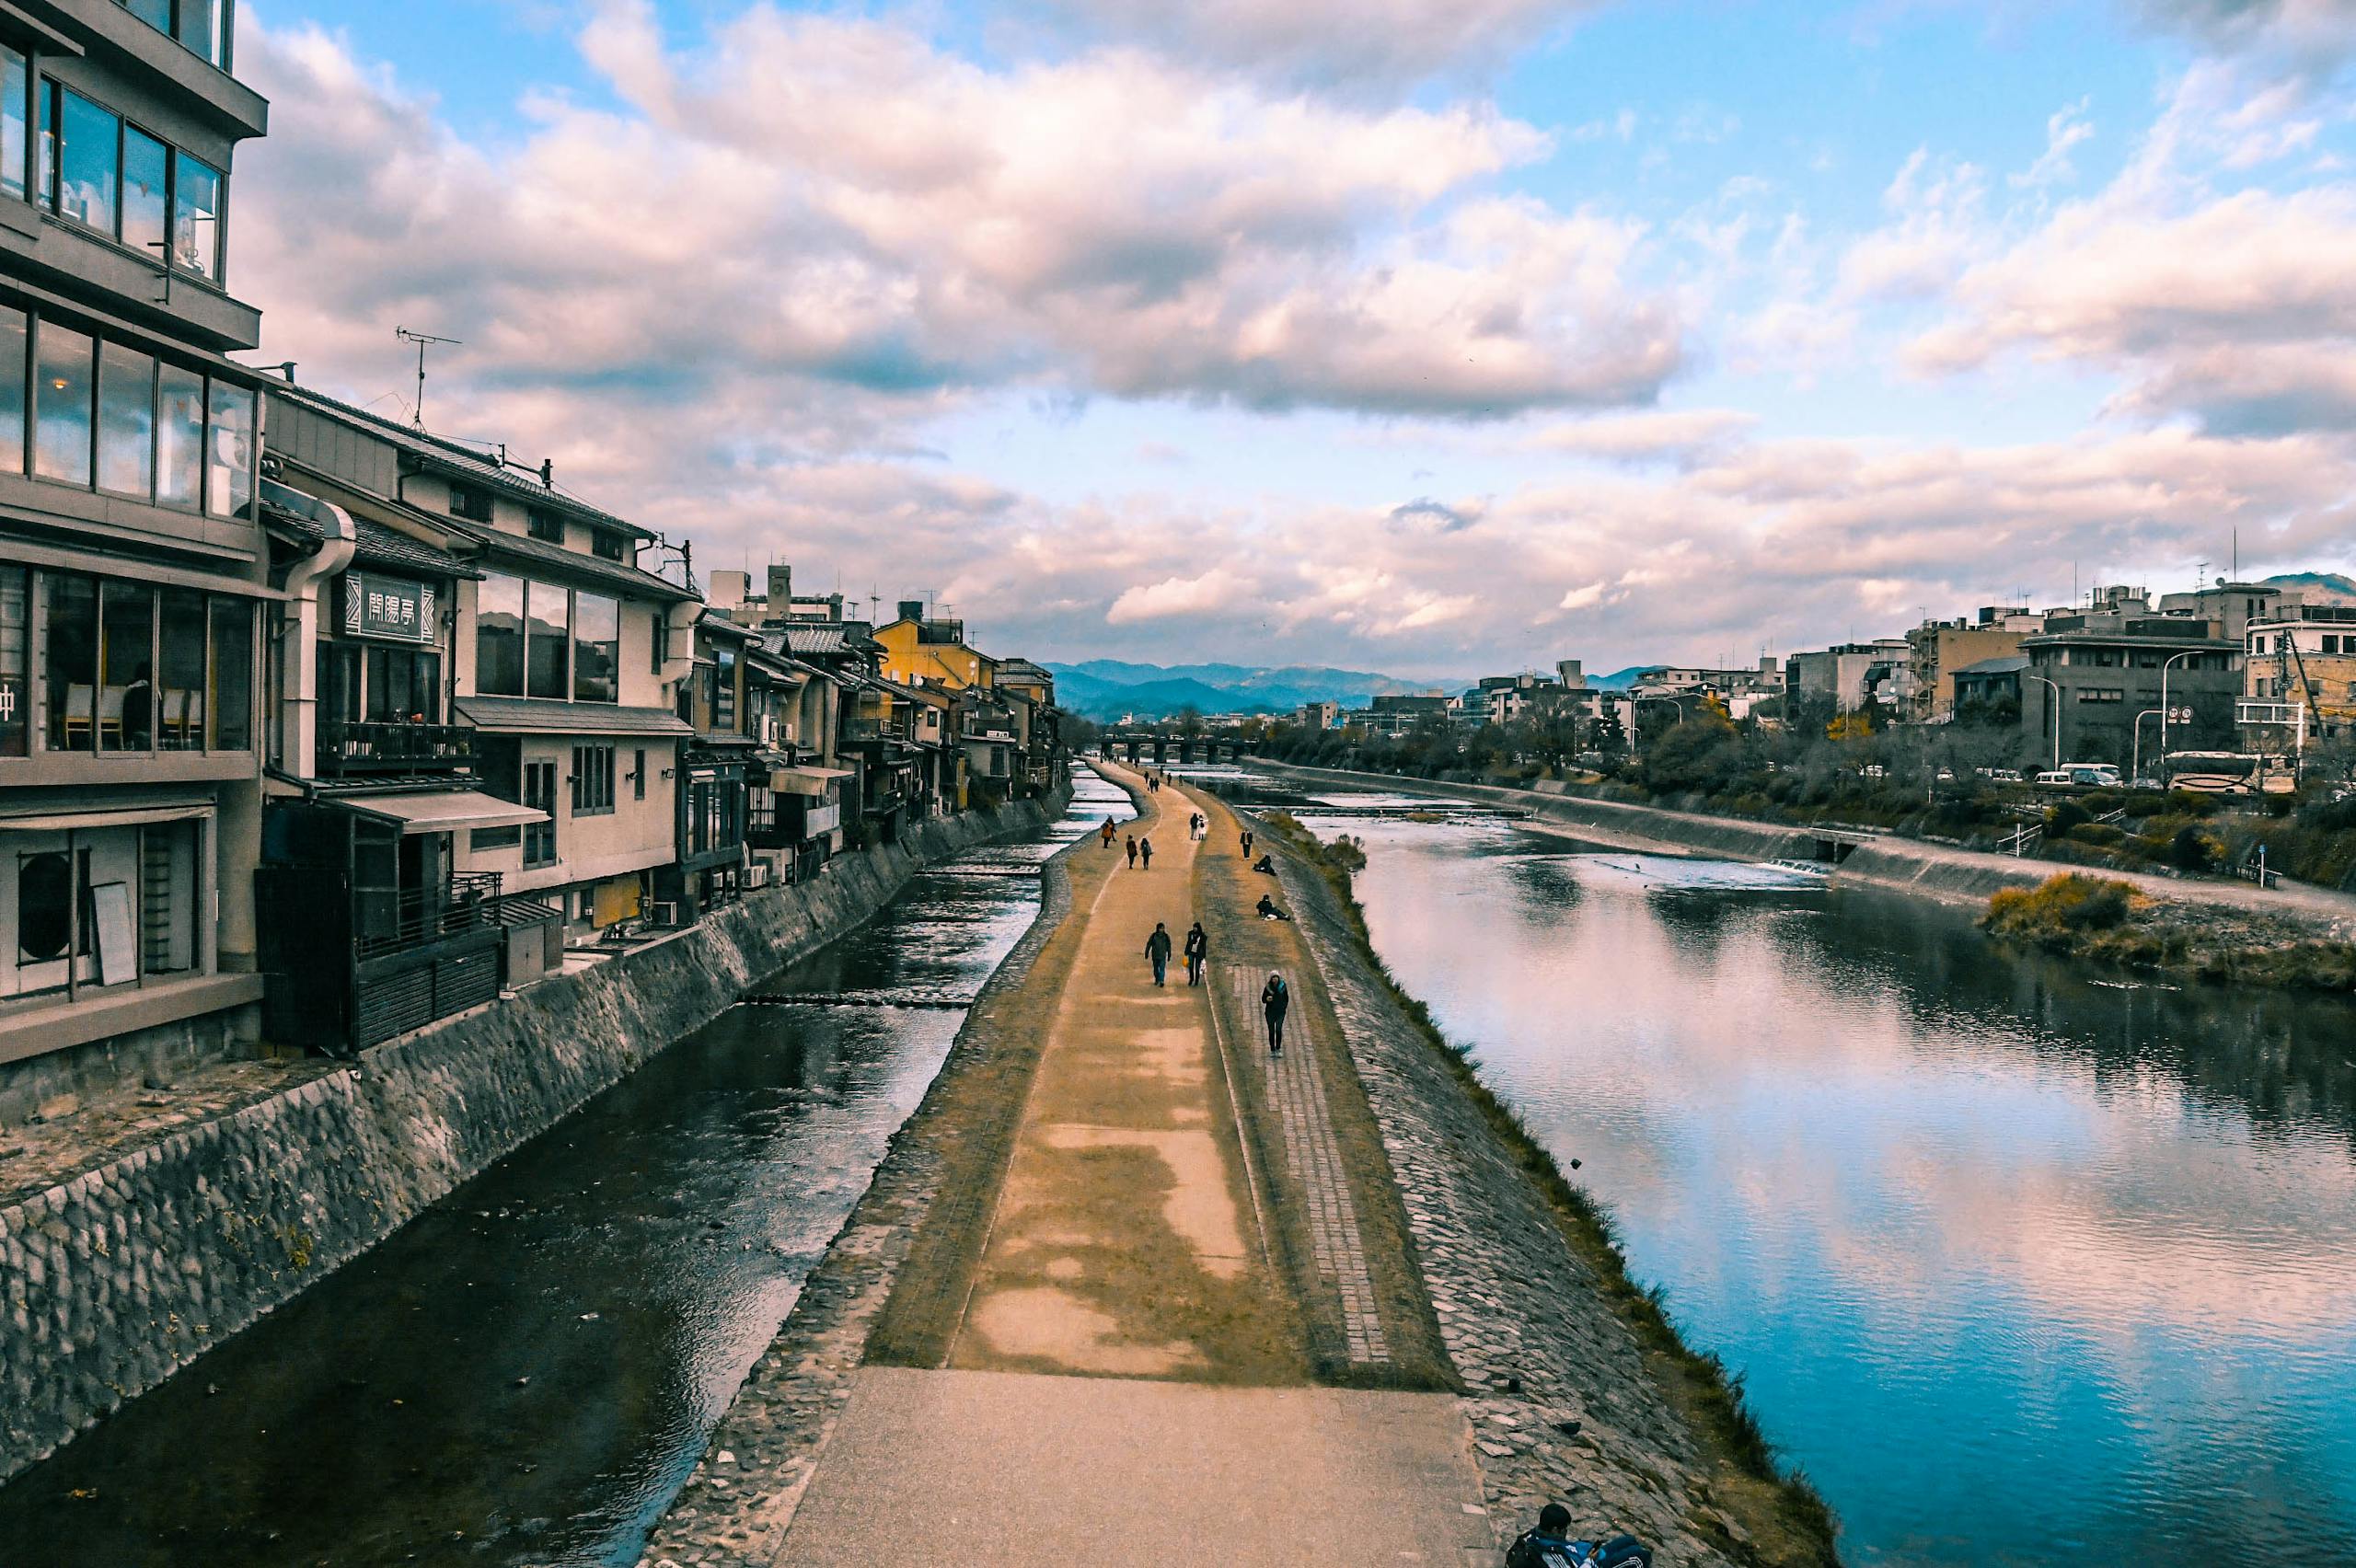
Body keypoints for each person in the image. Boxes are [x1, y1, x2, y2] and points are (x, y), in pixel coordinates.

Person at [1505, 1506, 1652, 1568]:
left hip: (1591, 1555)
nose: (1566, 1532)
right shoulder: (1547, 1553)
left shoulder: (1537, 1535)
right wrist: (1590, 1560)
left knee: (1629, 1540)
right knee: (1640, 1557)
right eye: (1564, 1529)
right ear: (1555, 1529)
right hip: (1595, 1563)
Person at [1260, 970, 1289, 1054]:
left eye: (1276, 977)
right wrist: (1267, 999)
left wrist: (1283, 1008)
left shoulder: (1283, 987)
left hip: (1280, 1012)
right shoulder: (1268, 988)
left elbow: (1286, 999)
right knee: (1271, 1031)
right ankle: (1272, 1049)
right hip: (1270, 1012)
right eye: (1273, 978)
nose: (1275, 979)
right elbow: (1263, 999)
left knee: (1278, 1029)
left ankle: (1278, 1048)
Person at [1144, 921, 1172, 987]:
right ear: (1157, 929)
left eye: (1163, 928)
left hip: (1162, 955)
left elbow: (1168, 946)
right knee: (1156, 969)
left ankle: (1162, 981)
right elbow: (1149, 944)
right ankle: (1157, 979)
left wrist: (1169, 954)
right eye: (1160, 928)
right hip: (1155, 955)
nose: (1161, 930)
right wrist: (1146, 953)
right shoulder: (1154, 936)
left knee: (1162, 968)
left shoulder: (1166, 936)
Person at [1184, 921, 1207, 986]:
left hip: (1198, 953)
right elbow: (1188, 943)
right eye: (1194, 927)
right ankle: (1191, 979)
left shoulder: (1202, 936)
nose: (1194, 929)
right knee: (1190, 966)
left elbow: (1204, 946)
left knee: (1197, 968)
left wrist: (1204, 955)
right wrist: (1186, 951)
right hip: (1191, 952)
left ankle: (1196, 981)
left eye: (1195, 927)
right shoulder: (1190, 934)